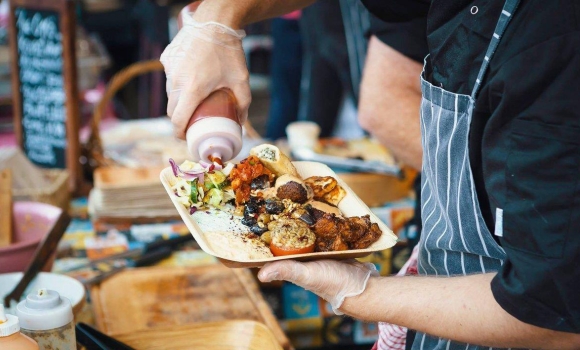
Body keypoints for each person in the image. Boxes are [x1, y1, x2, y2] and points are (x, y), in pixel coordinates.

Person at [160, 1, 580, 349]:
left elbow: (551, 313)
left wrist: (362, 292)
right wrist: (221, 19)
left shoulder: (553, 42)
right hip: (438, 310)